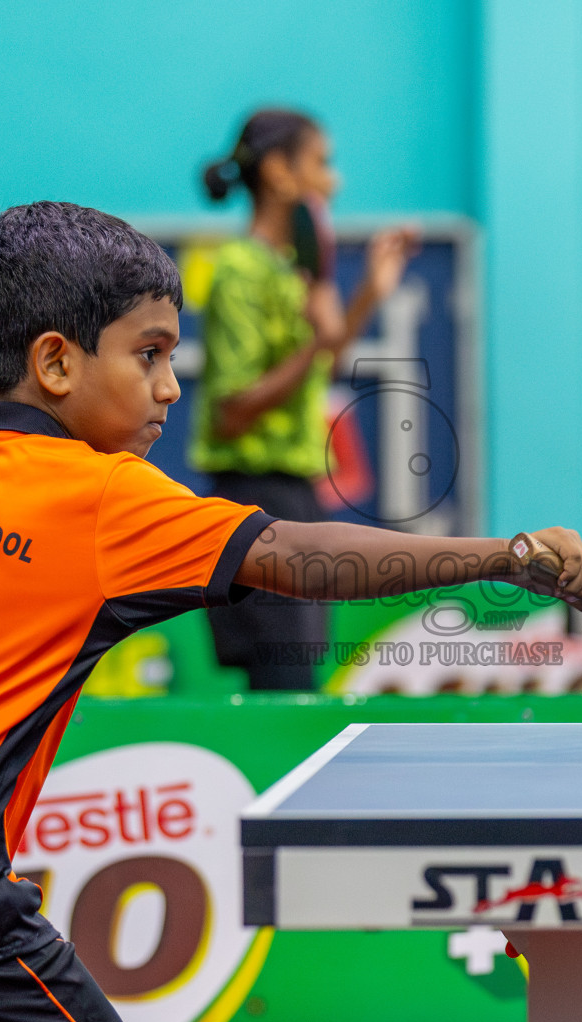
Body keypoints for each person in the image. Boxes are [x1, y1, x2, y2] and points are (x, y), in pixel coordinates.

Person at [0, 200, 582, 1022]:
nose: (170, 388)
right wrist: (511, 557)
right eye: (150, 354)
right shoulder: (102, 496)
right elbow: (299, 559)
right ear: (57, 363)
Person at [192, 108, 418, 690]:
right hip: (255, 499)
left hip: (296, 493)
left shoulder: (294, 271)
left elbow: (327, 359)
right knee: (283, 682)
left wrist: (369, 292)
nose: (333, 180)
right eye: (321, 162)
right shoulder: (239, 271)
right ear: (277, 170)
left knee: (300, 675)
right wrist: (316, 339)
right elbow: (233, 409)